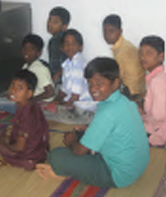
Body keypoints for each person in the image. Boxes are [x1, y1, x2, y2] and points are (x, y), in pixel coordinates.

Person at [36, 57, 149, 188]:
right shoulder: (126, 101)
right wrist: (88, 129)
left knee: (56, 156)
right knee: (82, 133)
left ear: (115, 83)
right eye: (90, 83)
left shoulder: (106, 112)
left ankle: (62, 172)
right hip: (137, 166)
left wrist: (71, 141)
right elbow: (115, 127)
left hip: (117, 175)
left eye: (100, 83)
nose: (93, 88)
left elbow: (79, 151)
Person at [42, 29, 97, 125]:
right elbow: (63, 91)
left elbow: (74, 98)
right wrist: (56, 101)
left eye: (73, 44)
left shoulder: (78, 66)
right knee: (43, 109)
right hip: (73, 105)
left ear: (80, 47)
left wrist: (58, 107)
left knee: (43, 115)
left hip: (82, 111)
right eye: (66, 44)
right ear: (61, 47)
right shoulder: (67, 64)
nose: (69, 47)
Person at [0, 34, 54, 114]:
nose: (27, 52)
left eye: (31, 49)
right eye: (25, 48)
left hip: (40, 104)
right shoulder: (26, 66)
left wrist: (31, 101)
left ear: (39, 53)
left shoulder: (39, 69)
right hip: (27, 99)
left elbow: (50, 92)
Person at [103, 14, 146, 103]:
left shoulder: (123, 51)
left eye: (111, 31)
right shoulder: (125, 45)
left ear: (120, 31)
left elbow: (117, 77)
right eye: (104, 31)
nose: (107, 35)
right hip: (140, 88)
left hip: (132, 93)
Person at [139, 35, 166, 147]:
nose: (143, 57)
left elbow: (159, 115)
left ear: (161, 56)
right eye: (141, 53)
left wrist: (142, 115)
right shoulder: (155, 77)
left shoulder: (157, 81)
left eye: (149, 53)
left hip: (157, 133)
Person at [47, 6, 70, 86]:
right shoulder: (64, 38)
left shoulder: (56, 40)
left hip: (60, 81)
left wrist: (55, 77)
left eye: (55, 22)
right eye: (49, 20)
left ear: (64, 27)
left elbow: (66, 62)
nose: (50, 24)